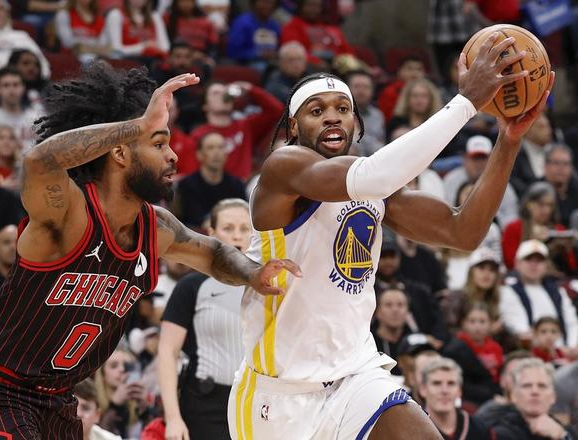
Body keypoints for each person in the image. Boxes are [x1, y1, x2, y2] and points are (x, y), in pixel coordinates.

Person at [0, 63, 299, 438]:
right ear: (120, 153)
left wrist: (253, 273)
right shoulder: (68, 213)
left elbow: (213, 253)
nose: (173, 156)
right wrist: (138, 125)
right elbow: (39, 162)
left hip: (56, 400)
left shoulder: (156, 228)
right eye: (158, 144)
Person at [227, 33, 552, 439]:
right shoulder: (284, 167)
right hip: (279, 395)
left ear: (356, 122)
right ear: (293, 126)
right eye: (316, 110)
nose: (332, 117)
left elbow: (462, 232)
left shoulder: (375, 188)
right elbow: (374, 175)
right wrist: (466, 102)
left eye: (343, 108)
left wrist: (508, 141)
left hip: (355, 375)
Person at [159, 199, 251, 440]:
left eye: (244, 228)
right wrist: (173, 418)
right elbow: (167, 352)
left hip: (258, 403)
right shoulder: (191, 286)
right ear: (212, 233)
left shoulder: (271, 286)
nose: (237, 236)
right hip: (204, 404)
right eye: (228, 228)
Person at [190, 81, 283, 181]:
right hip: (213, 184)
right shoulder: (199, 134)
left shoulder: (245, 125)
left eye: (225, 92)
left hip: (244, 184)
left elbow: (277, 110)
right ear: (205, 106)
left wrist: (249, 88)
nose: (223, 95)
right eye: (216, 93)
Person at [499, 239, 578, 348]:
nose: (534, 265)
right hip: (531, 350)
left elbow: (572, 322)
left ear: (546, 265)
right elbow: (518, 326)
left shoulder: (558, 291)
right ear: (517, 263)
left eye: (539, 260)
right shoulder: (508, 291)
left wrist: (572, 346)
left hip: (564, 351)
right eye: (528, 260)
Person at [490, 358, 576, 440]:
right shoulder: (499, 431)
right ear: (513, 396)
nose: (535, 391)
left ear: (553, 397)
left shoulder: (565, 431)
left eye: (542, 386)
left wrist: (562, 436)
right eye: (527, 386)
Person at [443, 135, 519, 229]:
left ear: (492, 160)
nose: (479, 164)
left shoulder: (502, 184)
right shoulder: (452, 180)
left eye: (483, 158)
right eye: (475, 158)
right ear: (465, 159)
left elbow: (511, 219)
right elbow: (446, 215)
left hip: (493, 231)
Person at [174, 132, 246, 228]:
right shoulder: (187, 185)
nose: (216, 153)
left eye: (221, 147)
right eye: (210, 148)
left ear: (226, 154)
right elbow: (192, 220)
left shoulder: (237, 185)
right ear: (199, 154)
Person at [501, 182, 576, 273]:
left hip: (556, 277)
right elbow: (510, 263)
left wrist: (568, 249)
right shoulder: (514, 228)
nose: (546, 210)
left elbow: (572, 266)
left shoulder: (559, 230)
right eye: (541, 204)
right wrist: (535, 241)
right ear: (529, 204)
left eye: (550, 205)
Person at [0, 0, 51, 79]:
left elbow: (42, 63)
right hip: (2, 82)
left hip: (31, 82)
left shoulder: (22, 36)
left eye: (0, 8)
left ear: (7, 12)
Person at [419, 357, 494, 440]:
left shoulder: (479, 428)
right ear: (423, 389)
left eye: (451, 383)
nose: (444, 390)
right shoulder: (412, 426)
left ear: (459, 390)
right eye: (436, 383)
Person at [0, 67, 43, 153]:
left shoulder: (38, 119)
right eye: (6, 85)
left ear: (23, 88)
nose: (12, 90)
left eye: (16, 85)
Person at [280, 0, 353, 66]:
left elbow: (348, 53)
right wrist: (317, 62)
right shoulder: (292, 27)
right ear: (301, 6)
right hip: (309, 69)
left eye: (317, 6)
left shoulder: (331, 29)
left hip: (337, 68)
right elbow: (293, 54)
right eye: (310, 5)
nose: (313, 9)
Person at [93, 348, 147, 438]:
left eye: (127, 366)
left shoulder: (136, 399)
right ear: (102, 374)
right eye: (114, 366)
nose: (122, 369)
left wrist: (145, 410)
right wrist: (115, 406)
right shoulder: (93, 401)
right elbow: (98, 436)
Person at [455, 301, 503, 384]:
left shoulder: (496, 348)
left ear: (491, 324)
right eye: (472, 321)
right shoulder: (457, 347)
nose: (477, 327)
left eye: (482, 321)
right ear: (463, 323)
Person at [105, 0, 170, 61]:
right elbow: (116, 49)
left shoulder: (154, 16)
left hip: (151, 62)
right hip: (124, 63)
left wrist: (148, 47)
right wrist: (144, 46)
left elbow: (165, 47)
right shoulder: (116, 15)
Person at [226, 0, 279, 72]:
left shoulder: (275, 26)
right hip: (247, 64)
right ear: (254, 3)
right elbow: (233, 52)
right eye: (264, 2)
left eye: (271, 3)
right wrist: (258, 54)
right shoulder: (243, 23)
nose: (268, 6)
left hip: (272, 64)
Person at [510, 113, 553, 197]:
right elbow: (513, 181)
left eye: (548, 126)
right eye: (541, 127)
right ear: (528, 129)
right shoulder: (515, 154)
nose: (549, 131)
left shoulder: (557, 152)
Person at [372, 287, 412, 377]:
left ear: (408, 311)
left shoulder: (416, 345)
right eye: (388, 305)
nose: (395, 310)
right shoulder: (368, 345)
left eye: (400, 305)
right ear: (377, 311)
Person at [345, 69, 385, 157]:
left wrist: (359, 133)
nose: (361, 91)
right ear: (348, 89)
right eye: (357, 86)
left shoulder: (376, 116)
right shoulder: (338, 114)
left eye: (366, 87)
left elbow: (380, 149)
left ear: (372, 91)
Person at [377, 55, 426, 122]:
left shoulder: (431, 91)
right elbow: (386, 119)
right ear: (399, 71)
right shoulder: (389, 92)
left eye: (419, 69)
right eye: (409, 69)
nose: (414, 73)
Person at [543, 144, 578, 228]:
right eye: (556, 163)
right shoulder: (536, 191)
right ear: (545, 166)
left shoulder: (576, 190)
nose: (561, 168)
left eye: (566, 164)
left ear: (572, 168)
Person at [0, 124, 22, 192]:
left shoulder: (23, 169)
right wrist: (0, 188)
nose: (7, 142)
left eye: (11, 138)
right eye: (1, 138)